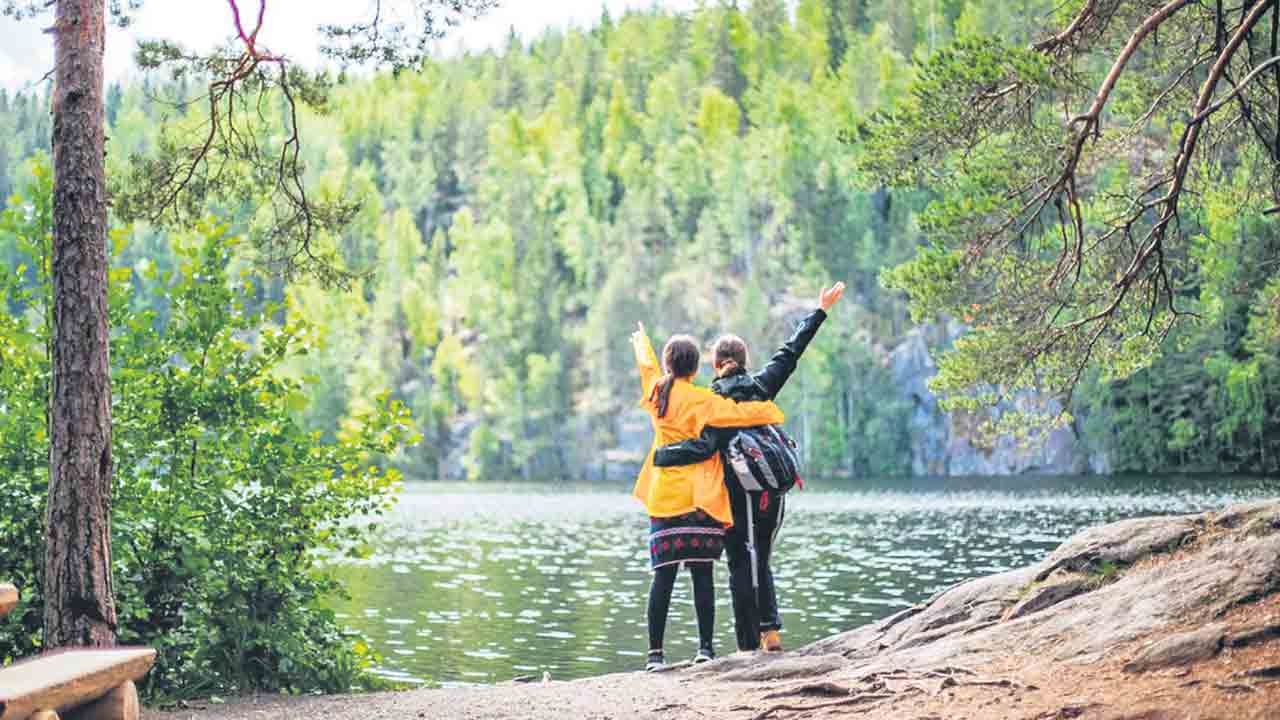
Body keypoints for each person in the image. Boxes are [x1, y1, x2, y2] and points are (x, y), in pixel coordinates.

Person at [653, 282, 845, 654]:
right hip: (772, 490)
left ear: (714, 364)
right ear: (744, 358)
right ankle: (769, 631)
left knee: (740, 560)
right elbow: (791, 352)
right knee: (762, 556)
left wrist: (665, 455)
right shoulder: (762, 386)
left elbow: (704, 446)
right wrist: (819, 311)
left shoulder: (714, 400)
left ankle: (747, 645)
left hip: (736, 492)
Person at [631, 324, 785, 671]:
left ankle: (655, 655)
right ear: (696, 368)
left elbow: (647, 369)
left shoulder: (657, 392)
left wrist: (642, 341)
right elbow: (739, 414)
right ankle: (705, 650)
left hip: (664, 498)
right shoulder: (702, 399)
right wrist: (771, 413)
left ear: (671, 365)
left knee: (663, 576)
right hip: (699, 500)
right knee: (702, 575)